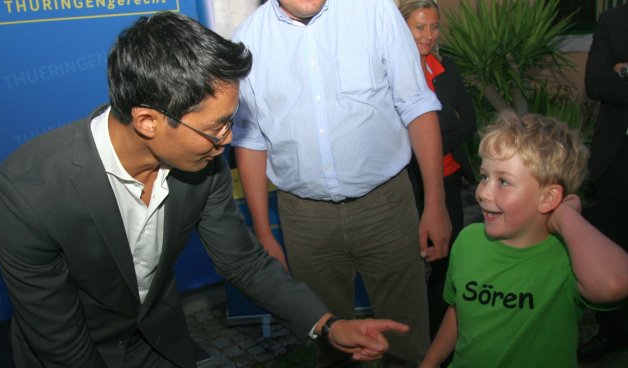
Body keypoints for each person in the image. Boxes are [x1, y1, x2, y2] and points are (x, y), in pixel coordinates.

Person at [0, 11, 410, 368]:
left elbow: (244, 263)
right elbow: (58, 336)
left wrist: (329, 324)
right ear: (148, 121)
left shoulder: (202, 167)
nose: (227, 140)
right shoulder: (27, 193)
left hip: (163, 346)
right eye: (216, 127)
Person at [232, 0, 452, 366]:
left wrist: (435, 201)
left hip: (387, 207)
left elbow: (416, 103)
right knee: (330, 340)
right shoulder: (248, 40)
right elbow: (250, 140)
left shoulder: (375, 11)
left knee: (407, 337)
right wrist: (264, 234)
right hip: (304, 220)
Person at [419, 111, 628, 368]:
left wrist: (565, 216)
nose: (483, 192)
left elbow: (614, 284)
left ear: (548, 198)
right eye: (485, 176)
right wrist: (429, 363)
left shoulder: (567, 257)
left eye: (503, 181)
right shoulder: (468, 241)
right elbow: (457, 311)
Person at [398, 0, 477, 339]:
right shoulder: (392, 71)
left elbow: (468, 122)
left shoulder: (446, 67)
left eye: (434, 26)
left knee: (447, 258)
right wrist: (442, 124)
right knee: (412, 262)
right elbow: (396, 132)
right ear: (403, 28)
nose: (429, 35)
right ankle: (414, 336)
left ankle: (442, 336)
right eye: (420, 27)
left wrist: (428, 140)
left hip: (448, 176)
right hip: (407, 183)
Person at [579, 3, 628, 361]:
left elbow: (613, 82)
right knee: (614, 247)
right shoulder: (614, 18)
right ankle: (614, 330)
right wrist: (614, 75)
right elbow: (597, 82)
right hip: (617, 161)